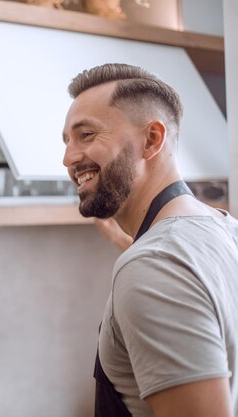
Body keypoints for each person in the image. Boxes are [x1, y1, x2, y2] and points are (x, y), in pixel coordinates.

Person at [62, 63, 238, 417]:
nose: (68, 158)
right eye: (66, 140)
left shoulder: (153, 268)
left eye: (87, 135)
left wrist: (142, 260)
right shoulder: (225, 229)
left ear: (151, 140)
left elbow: (163, 275)